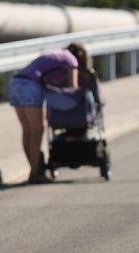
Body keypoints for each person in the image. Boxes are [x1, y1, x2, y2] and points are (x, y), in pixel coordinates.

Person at [9, 43, 88, 184]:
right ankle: (35, 174)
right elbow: (73, 88)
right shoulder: (71, 61)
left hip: (16, 83)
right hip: (31, 87)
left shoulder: (57, 55)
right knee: (37, 130)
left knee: (27, 130)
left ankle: (35, 168)